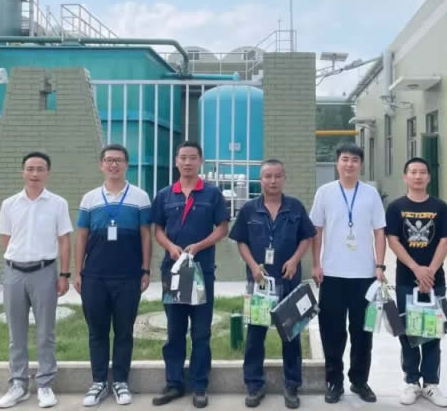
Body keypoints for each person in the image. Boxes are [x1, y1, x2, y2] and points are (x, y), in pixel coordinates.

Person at [229, 159, 316, 409]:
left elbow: (307, 237)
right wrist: (253, 266)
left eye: (278, 176)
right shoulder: (249, 209)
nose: (273, 181)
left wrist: (295, 260)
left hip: (289, 281)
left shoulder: (295, 207)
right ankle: (254, 385)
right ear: (261, 180)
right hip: (260, 285)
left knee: (291, 335)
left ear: (284, 178)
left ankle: (292, 385)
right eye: (268, 176)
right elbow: (241, 242)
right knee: (255, 336)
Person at [151, 141, 230, 408]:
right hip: (174, 271)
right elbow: (157, 229)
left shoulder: (212, 194)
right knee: (175, 331)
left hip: (201, 271)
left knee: (200, 332)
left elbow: (222, 228)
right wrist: (170, 247)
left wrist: (199, 246)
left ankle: (199, 386)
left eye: (192, 158)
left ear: (200, 161)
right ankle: (174, 384)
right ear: (176, 161)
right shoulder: (165, 195)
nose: (187, 162)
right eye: (183, 157)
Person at [74, 144, 152, 407]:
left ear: (126, 165)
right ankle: (98, 382)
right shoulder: (90, 198)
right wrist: (78, 272)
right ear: (101, 165)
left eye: (118, 160)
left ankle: (120, 381)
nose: (113, 164)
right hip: (94, 277)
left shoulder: (140, 197)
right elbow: (81, 236)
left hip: (128, 276)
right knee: (97, 332)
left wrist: (145, 269)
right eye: (108, 160)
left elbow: (145, 235)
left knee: (124, 332)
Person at [310, 143, 386, 404]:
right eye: (345, 159)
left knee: (362, 332)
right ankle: (334, 381)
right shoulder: (325, 192)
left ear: (360, 165)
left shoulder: (371, 194)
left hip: (364, 275)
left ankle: (359, 380)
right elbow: (317, 230)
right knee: (332, 331)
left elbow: (379, 231)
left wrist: (379, 265)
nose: (349, 164)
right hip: (331, 274)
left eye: (354, 160)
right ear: (337, 163)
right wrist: (316, 264)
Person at [0, 152, 73, 409]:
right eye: (30, 168)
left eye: (40, 169)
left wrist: (64, 275)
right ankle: (18, 384)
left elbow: (64, 240)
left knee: (45, 332)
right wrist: (18, 259)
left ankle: (45, 384)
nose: (35, 173)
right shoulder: (9, 204)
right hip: (14, 273)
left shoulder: (58, 204)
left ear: (47, 173)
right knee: (15, 333)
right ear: (23, 172)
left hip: (44, 272)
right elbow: (6, 238)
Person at [385, 157, 447, 408]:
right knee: (409, 332)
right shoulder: (395, 207)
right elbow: (393, 241)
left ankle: (431, 383)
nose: (418, 176)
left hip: (435, 280)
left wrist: (430, 272)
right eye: (413, 172)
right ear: (405, 177)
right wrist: (416, 269)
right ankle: (412, 381)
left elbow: (445, 241)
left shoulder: (440, 207)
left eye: (422, 172)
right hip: (406, 280)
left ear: (428, 177)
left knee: (433, 333)